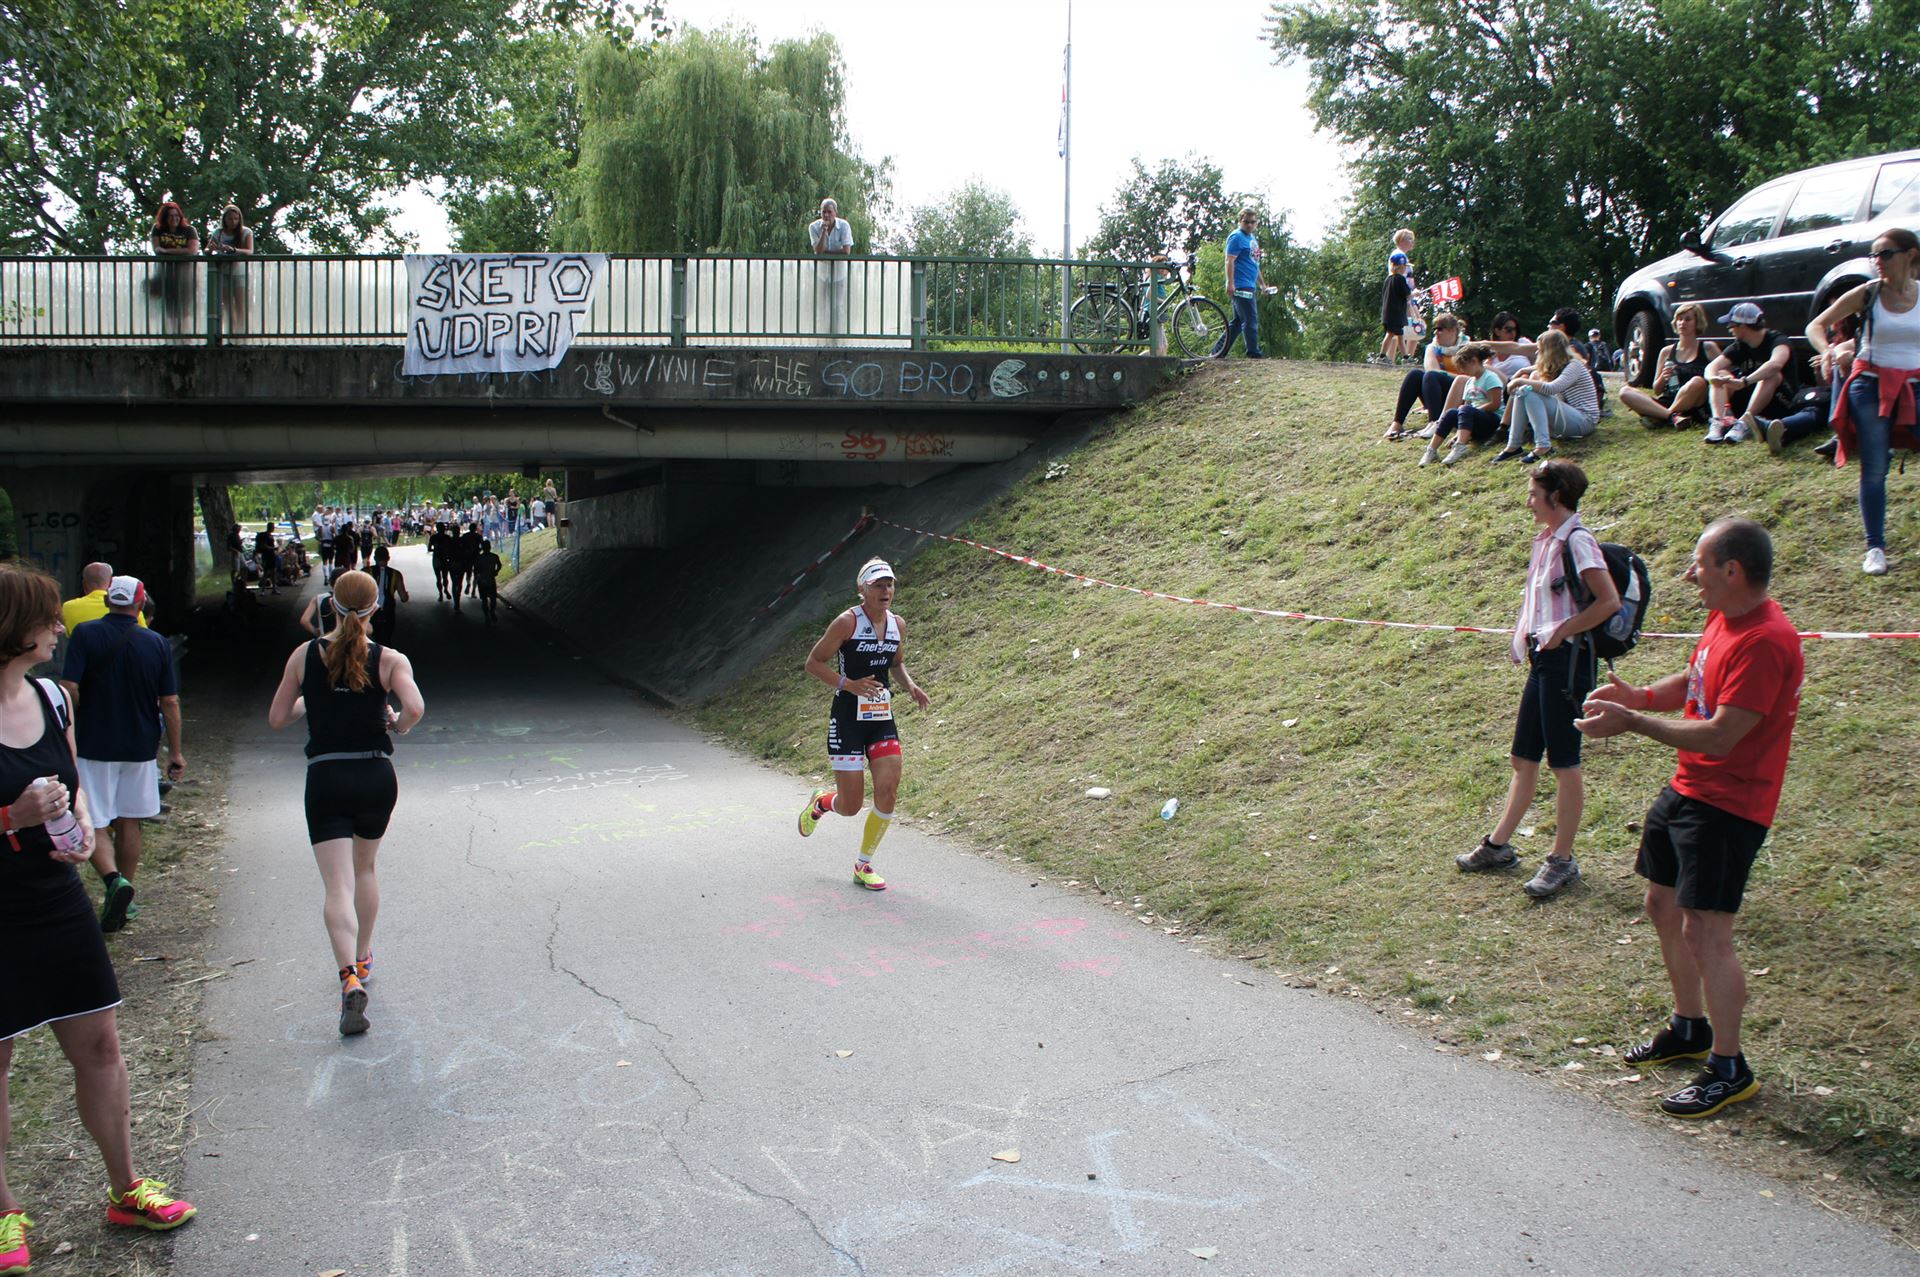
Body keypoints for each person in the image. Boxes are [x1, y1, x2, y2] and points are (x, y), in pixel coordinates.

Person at [1, 565, 200, 1273]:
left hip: (56, 900)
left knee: (102, 1047)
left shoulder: (52, 697)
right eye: (47, 618)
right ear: (12, 628)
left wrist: (83, 828)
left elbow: (75, 782)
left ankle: (125, 1188)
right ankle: (2, 1212)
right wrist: (11, 816)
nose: (59, 628)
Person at [1575, 519, 1801, 1118]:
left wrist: (1634, 723)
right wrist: (1642, 697)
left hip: (1730, 804)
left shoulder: (1768, 641)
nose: (1687, 575)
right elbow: (1698, 677)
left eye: (1698, 564)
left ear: (1732, 570)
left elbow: (1723, 734)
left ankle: (1729, 1067)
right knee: (1661, 904)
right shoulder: (1726, 617)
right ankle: (1689, 1027)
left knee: (1707, 932)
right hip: (1689, 789)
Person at [266, 570, 425, 1037]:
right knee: (365, 870)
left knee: (337, 886)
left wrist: (310, 704)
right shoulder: (390, 659)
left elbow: (278, 717)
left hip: (326, 777)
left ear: (330, 606)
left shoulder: (303, 655)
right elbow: (415, 708)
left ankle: (348, 977)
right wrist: (397, 724)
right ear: (377, 608)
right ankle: (364, 955)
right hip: (375, 775)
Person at [1455, 461, 1620, 898]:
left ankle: (1562, 860)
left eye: (1533, 494)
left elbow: (1608, 601)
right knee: (1523, 758)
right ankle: (1498, 847)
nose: (1528, 502)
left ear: (1556, 497)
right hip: (1543, 660)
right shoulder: (1547, 541)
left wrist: (1563, 632)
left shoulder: (1578, 541)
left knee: (1564, 764)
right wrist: (1523, 638)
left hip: (1567, 663)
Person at [794, 558, 931, 890]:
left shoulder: (898, 624)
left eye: (889, 585)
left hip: (881, 719)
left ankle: (863, 864)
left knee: (888, 789)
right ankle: (821, 802)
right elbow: (813, 663)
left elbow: (896, 663)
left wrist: (910, 685)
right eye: (877, 585)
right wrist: (849, 684)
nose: (885, 591)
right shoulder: (847, 623)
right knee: (850, 806)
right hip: (848, 719)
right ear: (862, 589)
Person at [59, 577, 182, 932]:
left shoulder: (85, 634)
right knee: (130, 820)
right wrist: (175, 752)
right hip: (140, 746)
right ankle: (126, 895)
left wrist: (77, 715)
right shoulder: (156, 643)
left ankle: (114, 882)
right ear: (140, 605)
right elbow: (170, 701)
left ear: (107, 601)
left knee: (95, 819)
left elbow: (69, 686)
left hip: (94, 742)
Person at [1808, 227, 1920, 576]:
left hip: (1914, 385)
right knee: (1874, 467)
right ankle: (1875, 548)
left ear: (1910, 255)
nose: (1878, 261)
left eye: (1885, 253)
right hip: (1870, 385)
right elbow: (1816, 325)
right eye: (1874, 255)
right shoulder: (1868, 293)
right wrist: (1828, 351)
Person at [1493, 330, 1602, 463]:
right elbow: (1537, 370)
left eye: (1540, 350)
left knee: (1529, 391)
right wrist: (1523, 371)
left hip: (1584, 421)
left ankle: (1543, 446)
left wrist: (1519, 380)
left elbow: (1552, 388)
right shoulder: (1559, 365)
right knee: (1524, 391)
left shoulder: (1574, 365)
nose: (1537, 353)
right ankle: (1513, 446)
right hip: (1568, 418)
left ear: (1550, 351)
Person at [1703, 302, 1796, 444]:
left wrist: (1745, 381)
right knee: (1720, 374)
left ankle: (1744, 423)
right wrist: (1712, 378)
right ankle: (1718, 423)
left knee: (1771, 374)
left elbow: (1775, 364)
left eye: (1731, 325)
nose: (1729, 329)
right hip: (1752, 397)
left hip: (1782, 400)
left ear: (1742, 326)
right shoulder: (1740, 346)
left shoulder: (1778, 340)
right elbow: (1712, 366)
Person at [1619, 303, 1718, 429]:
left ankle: (1662, 416)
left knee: (1698, 381)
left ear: (1697, 323)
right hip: (1667, 400)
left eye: (1688, 319)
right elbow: (1657, 390)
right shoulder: (1666, 352)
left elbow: (1724, 373)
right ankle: (1671, 417)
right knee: (1625, 392)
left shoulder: (1708, 348)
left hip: (1694, 403)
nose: (1682, 323)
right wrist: (1663, 377)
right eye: (1679, 319)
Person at [1384, 312, 1468, 441]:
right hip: (1435, 393)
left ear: (1452, 330)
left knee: (1433, 376)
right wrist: (1445, 375)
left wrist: (1446, 375)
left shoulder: (1466, 348)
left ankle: (1435, 422)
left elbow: (1470, 377)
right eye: (1435, 329)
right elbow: (1432, 369)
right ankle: (1397, 423)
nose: (1435, 332)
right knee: (1415, 374)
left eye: (1440, 329)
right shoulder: (1432, 348)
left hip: (1459, 395)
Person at [1421, 343, 1505, 466]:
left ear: (1474, 361)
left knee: (1465, 409)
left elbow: (1495, 404)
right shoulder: (1469, 382)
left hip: (1492, 421)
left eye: (1464, 367)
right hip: (1473, 419)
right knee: (1451, 413)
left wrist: (1474, 410)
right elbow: (1465, 409)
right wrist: (1457, 433)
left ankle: (1460, 446)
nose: (1462, 371)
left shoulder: (1490, 378)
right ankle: (1432, 449)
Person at [1211, 209, 1266, 360]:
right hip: (1241, 284)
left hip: (1250, 284)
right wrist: (1230, 283)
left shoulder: (1251, 239)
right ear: (1240, 221)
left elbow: (1254, 264)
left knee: (1237, 323)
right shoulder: (1236, 237)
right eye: (1246, 222)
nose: (1250, 225)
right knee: (1250, 319)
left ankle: (1217, 352)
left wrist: (1262, 284)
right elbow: (1229, 260)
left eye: (1253, 222)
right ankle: (1254, 353)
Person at [149, 201, 199, 336]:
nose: (174, 218)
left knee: (185, 307)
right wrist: (175, 251)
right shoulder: (157, 229)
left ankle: (186, 335)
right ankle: (172, 336)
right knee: (170, 307)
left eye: (177, 216)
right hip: (166, 274)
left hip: (186, 275)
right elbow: (157, 249)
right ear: (164, 218)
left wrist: (167, 251)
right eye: (170, 216)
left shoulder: (189, 230)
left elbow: (192, 250)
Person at [808, 197, 854, 338]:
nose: (826, 215)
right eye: (824, 212)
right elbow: (818, 251)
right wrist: (824, 232)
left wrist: (826, 253)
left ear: (835, 212)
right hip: (822, 274)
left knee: (838, 305)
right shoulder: (814, 227)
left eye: (829, 212)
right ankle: (823, 335)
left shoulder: (844, 226)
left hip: (839, 273)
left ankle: (837, 335)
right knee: (822, 305)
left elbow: (846, 251)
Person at [207, 204, 252, 333]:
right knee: (227, 306)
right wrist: (211, 249)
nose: (233, 222)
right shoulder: (218, 232)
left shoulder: (246, 232)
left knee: (240, 305)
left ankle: (242, 333)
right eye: (230, 219)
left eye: (236, 219)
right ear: (224, 219)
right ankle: (230, 332)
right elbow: (207, 249)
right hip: (224, 271)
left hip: (240, 272)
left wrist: (234, 250)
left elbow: (250, 251)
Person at [1376, 252, 1413, 367]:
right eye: (1405, 266)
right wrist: (1415, 294)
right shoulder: (1400, 279)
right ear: (1400, 266)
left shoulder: (1388, 279)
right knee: (1390, 334)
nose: (1406, 269)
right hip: (1395, 313)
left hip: (1388, 313)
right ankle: (1382, 356)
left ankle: (1405, 358)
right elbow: (1407, 294)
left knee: (1400, 335)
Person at [369, 545, 409, 647]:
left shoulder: (366, 572)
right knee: (387, 639)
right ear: (388, 558)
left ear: (375, 558)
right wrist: (406, 594)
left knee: (372, 639)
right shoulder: (396, 574)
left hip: (370, 610)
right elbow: (404, 598)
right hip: (388, 610)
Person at [473, 540, 503, 623]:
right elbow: (499, 565)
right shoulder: (494, 556)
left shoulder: (479, 558)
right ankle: (491, 612)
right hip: (490, 579)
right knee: (492, 598)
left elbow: (475, 570)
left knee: (484, 600)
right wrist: (496, 571)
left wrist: (479, 572)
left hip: (482, 580)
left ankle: (487, 616)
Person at [428, 522, 453, 600]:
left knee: (438, 578)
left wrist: (436, 549)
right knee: (445, 577)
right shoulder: (447, 537)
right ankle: (445, 590)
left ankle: (441, 594)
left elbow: (429, 548)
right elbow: (451, 549)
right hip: (445, 558)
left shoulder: (433, 537)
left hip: (436, 558)